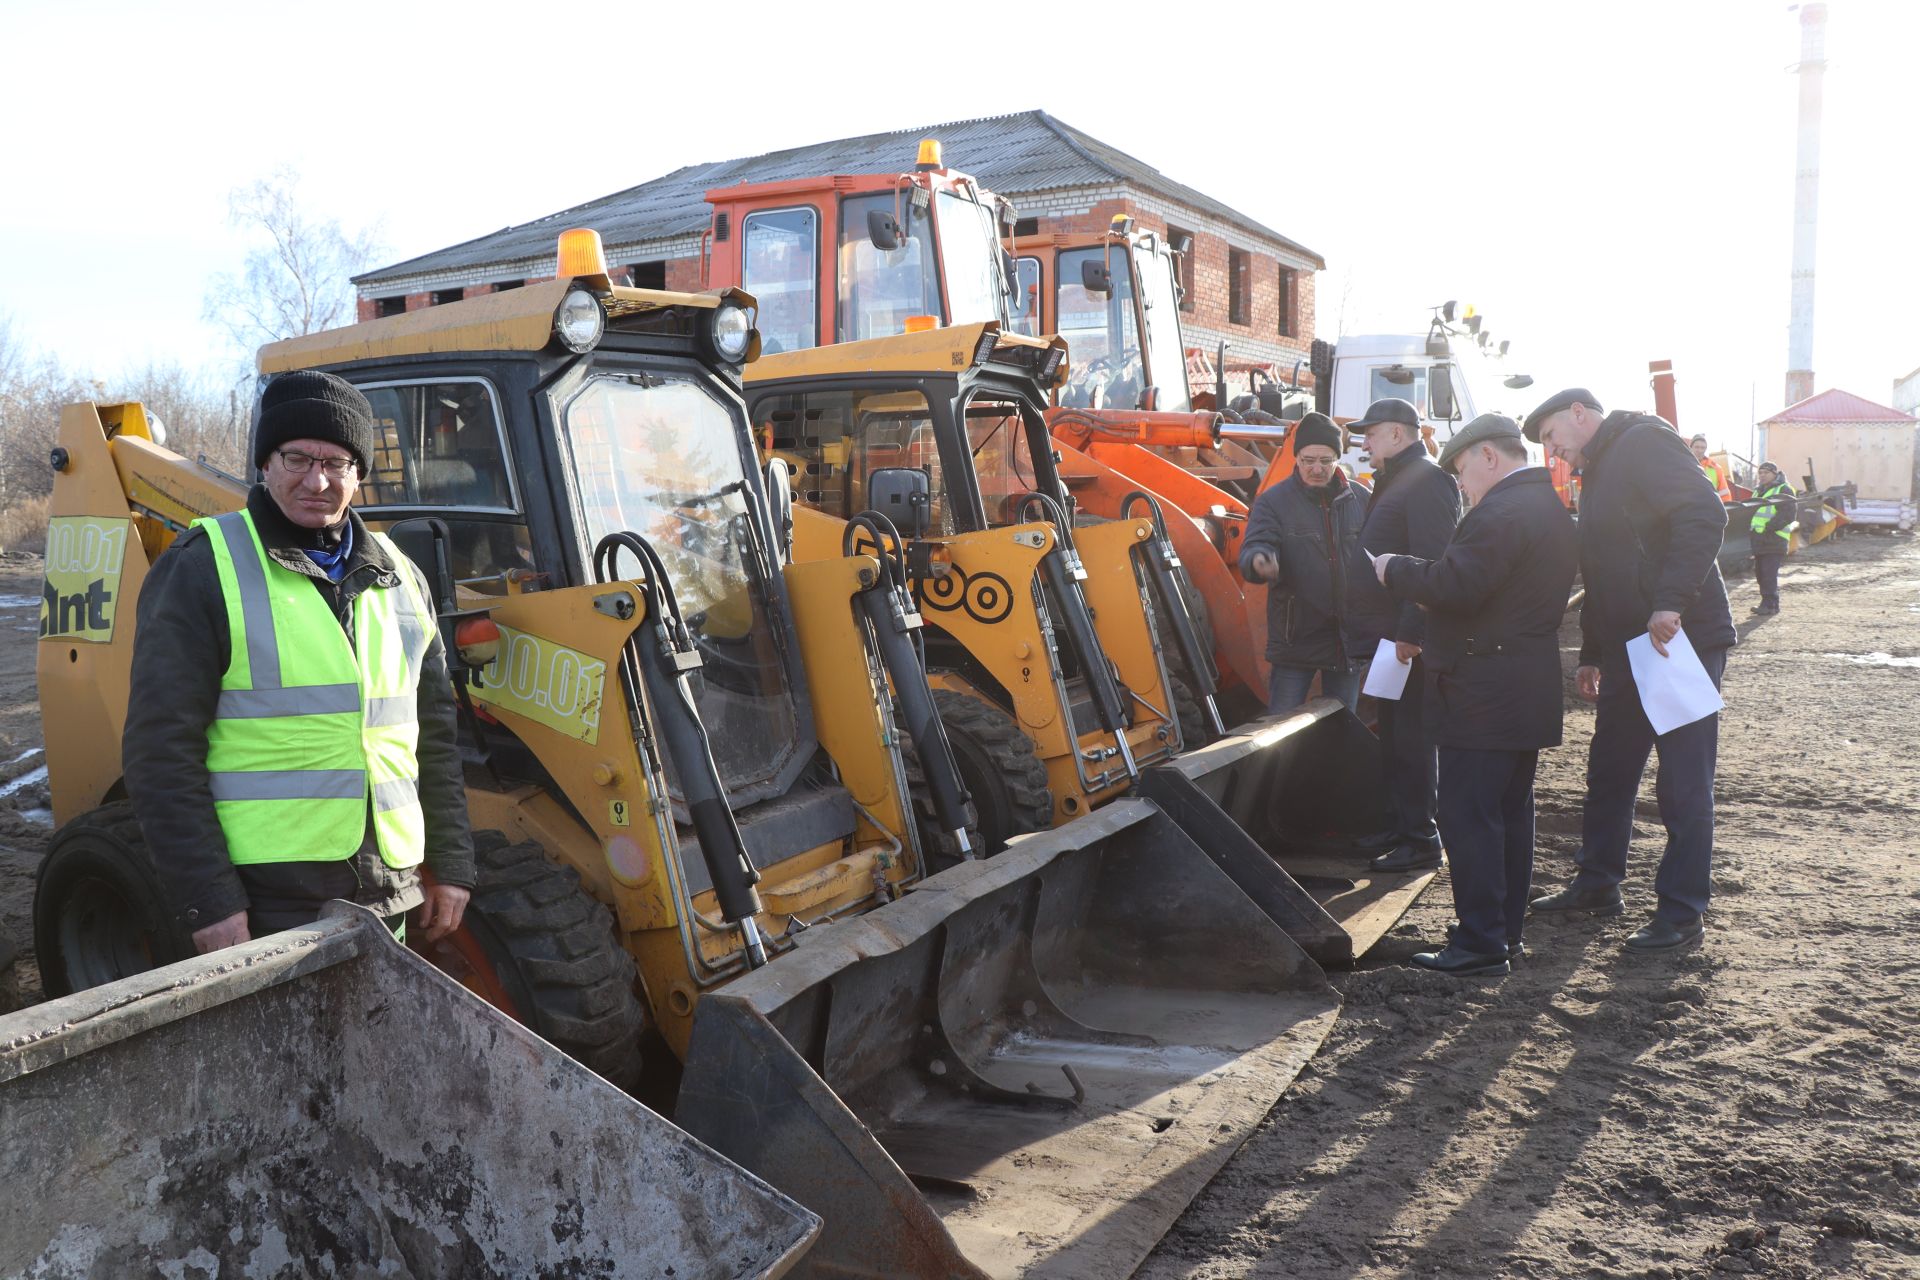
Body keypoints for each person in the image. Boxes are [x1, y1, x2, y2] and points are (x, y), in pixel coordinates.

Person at [124, 370, 476, 954]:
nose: (318, 480)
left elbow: (433, 737)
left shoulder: (400, 573)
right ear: (265, 464)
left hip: (391, 887)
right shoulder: (203, 566)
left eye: (337, 462)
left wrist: (452, 864)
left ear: (358, 474)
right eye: (297, 458)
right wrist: (209, 900)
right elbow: (160, 754)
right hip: (267, 899)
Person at [1524, 389, 1735, 952]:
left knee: (1683, 782)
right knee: (1611, 771)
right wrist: (1593, 651)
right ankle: (1597, 883)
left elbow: (1704, 512)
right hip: (1626, 648)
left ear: (1578, 414)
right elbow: (1602, 572)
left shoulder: (1643, 441)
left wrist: (1671, 602)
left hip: (1676, 640)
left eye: (1550, 436)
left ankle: (1682, 911)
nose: (1552, 450)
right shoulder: (1597, 473)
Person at [1370, 415, 1579, 976]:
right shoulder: (1544, 507)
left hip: (1484, 688)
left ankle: (1481, 942)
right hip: (1522, 684)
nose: (1461, 485)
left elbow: (1456, 586)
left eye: (1463, 471)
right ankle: (1502, 931)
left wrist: (1397, 570)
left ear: (1488, 456)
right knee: (1510, 813)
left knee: (1468, 814)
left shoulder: (1502, 512)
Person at [1345, 398, 1461, 872]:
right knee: (1393, 734)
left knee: (1412, 736)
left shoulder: (1428, 480)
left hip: (1405, 640)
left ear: (1396, 434)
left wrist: (1411, 632)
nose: (1364, 443)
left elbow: (1433, 562)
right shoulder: (1395, 478)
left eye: (1370, 434)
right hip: (1387, 638)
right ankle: (1400, 825)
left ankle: (1421, 838)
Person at [1239, 413, 1365, 712]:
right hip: (1296, 638)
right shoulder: (1273, 502)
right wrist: (1258, 561)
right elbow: (1254, 545)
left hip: (1346, 640)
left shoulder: (1361, 499)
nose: (1317, 469)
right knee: (1280, 732)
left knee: (1343, 728)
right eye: (1308, 460)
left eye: (1325, 460)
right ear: (1296, 458)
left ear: (1338, 458)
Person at [1748, 461, 1798, 615]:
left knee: (1768, 574)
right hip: (1759, 539)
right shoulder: (1757, 491)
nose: (1762, 476)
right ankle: (1767, 603)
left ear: (1774, 474)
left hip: (1774, 538)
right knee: (1761, 574)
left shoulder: (1784, 489)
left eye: (1766, 473)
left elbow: (1788, 514)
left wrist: (1769, 528)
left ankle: (1770, 605)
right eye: (1760, 473)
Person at [1689, 434, 1733, 501]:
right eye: (1697, 447)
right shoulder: (1684, 466)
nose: (1700, 450)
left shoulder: (1716, 469)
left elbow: (1724, 494)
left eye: (1702, 448)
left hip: (1711, 509)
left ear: (1705, 449)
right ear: (1691, 448)